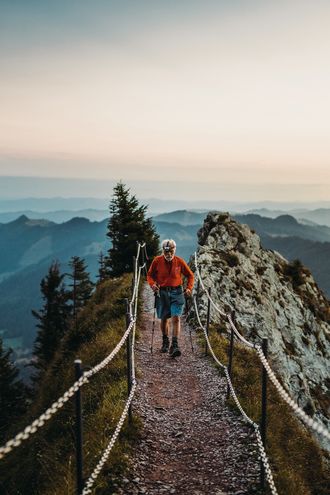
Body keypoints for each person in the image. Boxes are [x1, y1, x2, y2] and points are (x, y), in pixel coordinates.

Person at [147, 239, 194, 358]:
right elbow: (149, 275)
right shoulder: (157, 261)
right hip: (162, 292)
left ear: (174, 250)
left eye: (171, 251)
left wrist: (189, 288)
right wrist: (152, 285)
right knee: (164, 318)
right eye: (166, 251)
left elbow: (190, 275)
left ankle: (175, 344)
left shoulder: (179, 262)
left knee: (176, 317)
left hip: (177, 292)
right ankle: (165, 341)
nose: (168, 254)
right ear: (163, 250)